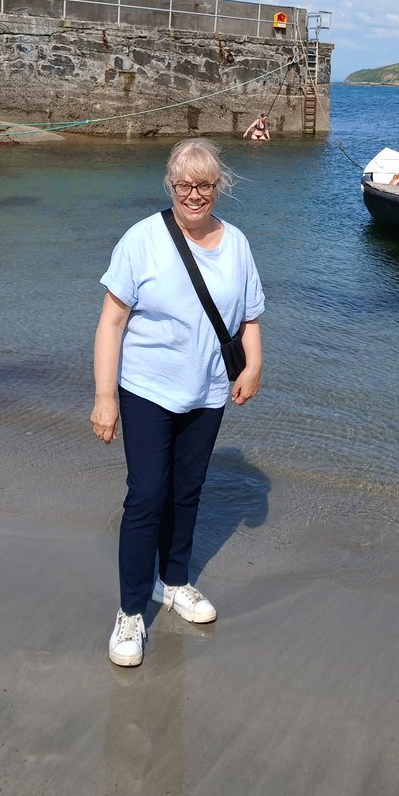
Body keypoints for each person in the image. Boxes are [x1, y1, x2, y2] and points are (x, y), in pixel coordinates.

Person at [91, 138, 264, 667]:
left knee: (188, 492)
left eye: (205, 185)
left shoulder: (236, 243)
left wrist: (253, 365)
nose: (194, 194)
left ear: (219, 188)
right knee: (147, 495)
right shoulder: (142, 240)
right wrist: (104, 398)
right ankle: (129, 612)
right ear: (171, 186)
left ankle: (175, 582)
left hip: (208, 392)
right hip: (146, 389)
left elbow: (249, 316)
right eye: (184, 185)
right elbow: (112, 321)